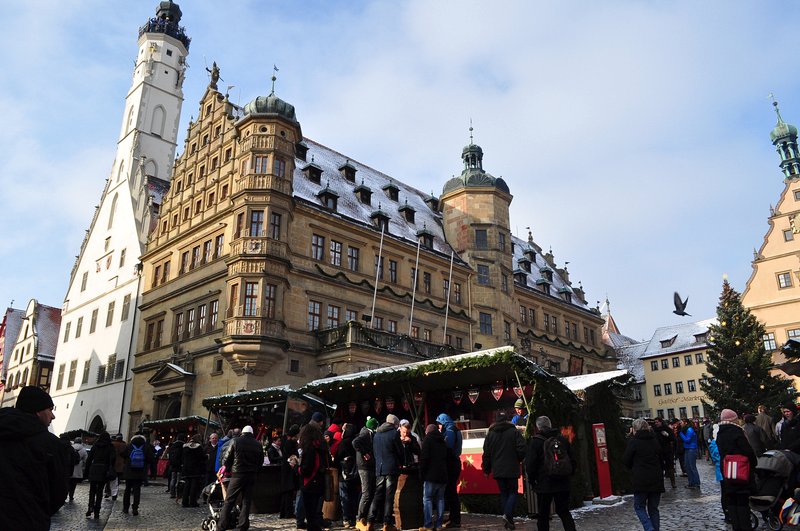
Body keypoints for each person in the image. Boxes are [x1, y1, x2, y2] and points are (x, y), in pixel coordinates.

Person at [0, 385, 70, 530]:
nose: (53, 416)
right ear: (38, 411)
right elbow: (58, 492)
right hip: (29, 521)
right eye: (50, 410)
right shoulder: (51, 445)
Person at [525, 415, 576, 531]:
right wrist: (569, 475)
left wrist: (533, 481)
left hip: (544, 484)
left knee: (543, 514)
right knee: (564, 512)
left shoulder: (536, 442)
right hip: (563, 482)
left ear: (538, 427)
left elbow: (531, 465)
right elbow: (573, 460)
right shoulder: (562, 439)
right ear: (550, 425)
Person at [482, 411, 526, 530]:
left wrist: (486, 469)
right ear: (507, 419)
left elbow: (486, 454)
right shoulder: (514, 432)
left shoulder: (490, 434)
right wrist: (519, 459)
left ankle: (509, 521)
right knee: (513, 492)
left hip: (498, 470)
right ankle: (507, 515)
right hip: (512, 468)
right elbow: (522, 448)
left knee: (504, 494)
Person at [716, 409, 757, 531]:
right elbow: (747, 451)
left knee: (731, 499)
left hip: (728, 471)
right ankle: (745, 526)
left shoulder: (720, 433)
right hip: (741, 470)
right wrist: (753, 463)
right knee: (742, 500)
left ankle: (736, 526)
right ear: (733, 419)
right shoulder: (737, 431)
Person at [218, 425, 264, 531]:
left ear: (242, 432)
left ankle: (221, 526)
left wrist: (227, 469)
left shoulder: (235, 441)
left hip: (237, 475)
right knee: (246, 501)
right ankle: (242, 526)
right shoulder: (258, 444)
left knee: (229, 500)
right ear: (252, 433)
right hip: (251, 475)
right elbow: (260, 462)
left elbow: (227, 458)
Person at [623, 418, 665, 531]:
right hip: (656, 479)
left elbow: (626, 460)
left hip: (641, 479)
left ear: (635, 429)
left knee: (639, 506)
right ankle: (655, 529)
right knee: (653, 508)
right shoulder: (654, 440)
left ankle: (648, 527)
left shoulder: (634, 442)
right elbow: (661, 459)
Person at [369, 413, 403, 531]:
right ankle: (386, 524)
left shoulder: (376, 434)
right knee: (389, 497)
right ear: (394, 424)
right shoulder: (394, 434)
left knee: (377, 496)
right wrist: (402, 462)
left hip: (380, 469)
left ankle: (370, 522)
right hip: (391, 469)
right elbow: (400, 451)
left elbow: (374, 452)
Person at [299, 421, 328, 531]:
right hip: (318, 482)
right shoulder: (321, 446)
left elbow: (306, 469)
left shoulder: (310, 449)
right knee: (314, 512)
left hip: (309, 482)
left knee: (310, 514)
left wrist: (296, 467)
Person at [436, 413, 463, 529]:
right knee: (451, 491)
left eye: (439, 424)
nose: (439, 427)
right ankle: (453, 517)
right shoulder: (454, 429)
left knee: (451, 492)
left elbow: (448, 447)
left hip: (451, 463)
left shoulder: (450, 430)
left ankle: (455, 519)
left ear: (444, 422)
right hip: (455, 462)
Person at [420, 423, 448, 531]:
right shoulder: (443, 440)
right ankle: (439, 524)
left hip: (430, 475)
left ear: (427, 432)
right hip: (442, 474)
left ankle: (428, 525)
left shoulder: (427, 440)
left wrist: (421, 473)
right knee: (440, 499)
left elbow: (424, 459)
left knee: (427, 499)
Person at [354, 416, 379, 531]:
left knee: (369, 493)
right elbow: (355, 442)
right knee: (367, 493)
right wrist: (364, 453)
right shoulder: (365, 434)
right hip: (364, 466)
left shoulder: (367, 433)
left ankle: (363, 518)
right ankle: (360, 519)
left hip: (367, 466)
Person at [84, 431, 115, 519]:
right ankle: (97, 511)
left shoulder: (95, 446)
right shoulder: (110, 447)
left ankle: (90, 506)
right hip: (103, 471)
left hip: (94, 469)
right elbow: (112, 460)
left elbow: (89, 460)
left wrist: (86, 473)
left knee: (92, 490)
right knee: (100, 491)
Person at [122, 431, 154, 515]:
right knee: (137, 490)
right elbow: (151, 459)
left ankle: (125, 508)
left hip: (129, 471)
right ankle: (135, 508)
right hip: (140, 472)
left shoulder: (129, 445)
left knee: (127, 490)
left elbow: (123, 454)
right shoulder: (146, 446)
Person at [335, 423, 360, 529]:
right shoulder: (356, 442)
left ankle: (346, 519)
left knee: (344, 497)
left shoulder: (343, 444)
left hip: (344, 474)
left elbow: (336, 459)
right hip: (355, 474)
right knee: (354, 496)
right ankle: (353, 518)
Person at [182, 433, 207, 507]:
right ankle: (193, 502)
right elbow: (201, 457)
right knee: (194, 486)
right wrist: (207, 456)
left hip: (186, 469)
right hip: (195, 469)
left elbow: (182, 458)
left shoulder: (185, 446)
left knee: (187, 485)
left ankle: (185, 501)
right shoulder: (198, 447)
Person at [652, 418, 676, 488]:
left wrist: (667, 435)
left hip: (667, 450)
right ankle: (660, 483)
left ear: (661, 422)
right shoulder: (654, 430)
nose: (656, 423)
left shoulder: (666, 429)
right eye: (655, 422)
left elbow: (673, 438)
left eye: (657, 422)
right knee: (659, 468)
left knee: (670, 467)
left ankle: (673, 483)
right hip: (658, 451)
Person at [679, 418, 700, 489]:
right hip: (688, 449)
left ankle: (696, 483)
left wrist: (680, 433)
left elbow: (687, 440)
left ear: (685, 423)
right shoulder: (687, 429)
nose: (680, 423)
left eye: (681, 422)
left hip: (692, 449)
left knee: (692, 467)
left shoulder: (690, 430)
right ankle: (691, 483)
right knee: (688, 467)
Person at [105, 433, 127, 500]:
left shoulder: (112, 444)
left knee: (109, 479)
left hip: (112, 465)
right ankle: (114, 494)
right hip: (120, 466)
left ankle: (108, 492)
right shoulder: (124, 445)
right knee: (117, 481)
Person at [69, 436, 89, 502]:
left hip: (69, 468)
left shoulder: (70, 447)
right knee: (73, 484)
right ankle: (71, 496)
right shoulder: (83, 449)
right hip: (77, 469)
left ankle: (65, 494)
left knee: (68, 483)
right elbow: (86, 460)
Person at [167, 433, 186, 498]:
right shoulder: (183, 446)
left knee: (173, 479)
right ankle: (178, 493)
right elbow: (183, 456)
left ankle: (172, 493)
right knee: (179, 480)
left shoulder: (173, 445)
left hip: (173, 465)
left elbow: (169, 455)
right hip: (180, 465)